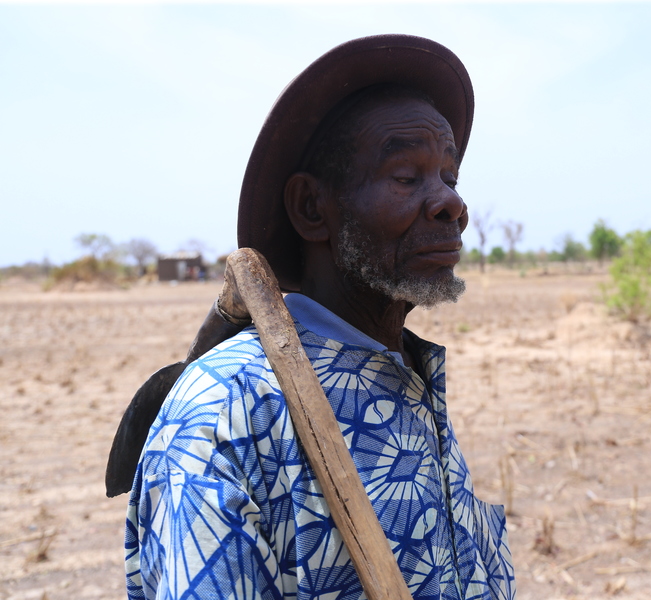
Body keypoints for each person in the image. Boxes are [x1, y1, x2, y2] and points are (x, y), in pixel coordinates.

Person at [125, 35, 515, 600]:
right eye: (407, 177)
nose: (452, 204)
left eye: (449, 179)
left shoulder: (406, 373)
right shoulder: (226, 412)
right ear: (313, 208)